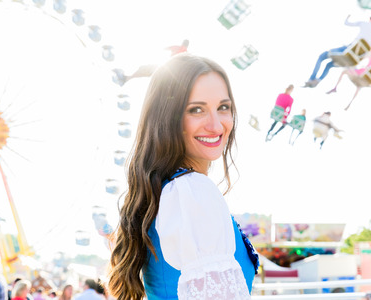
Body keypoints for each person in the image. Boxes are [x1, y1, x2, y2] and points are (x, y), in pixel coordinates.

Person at [107, 54, 259, 300]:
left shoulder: (166, 190)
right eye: (196, 110)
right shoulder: (191, 191)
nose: (216, 125)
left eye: (223, 107)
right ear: (169, 118)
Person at [304, 14, 371, 88]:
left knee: (321, 57)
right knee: (329, 65)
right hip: (353, 61)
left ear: (370, 19)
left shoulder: (364, 24)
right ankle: (318, 80)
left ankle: (312, 78)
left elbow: (347, 23)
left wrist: (347, 16)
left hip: (346, 52)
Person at [112, 39, 189, 87]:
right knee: (146, 72)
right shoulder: (186, 53)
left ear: (182, 43)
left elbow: (165, 49)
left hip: (164, 68)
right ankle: (126, 79)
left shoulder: (177, 47)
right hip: (168, 73)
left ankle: (126, 79)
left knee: (143, 69)